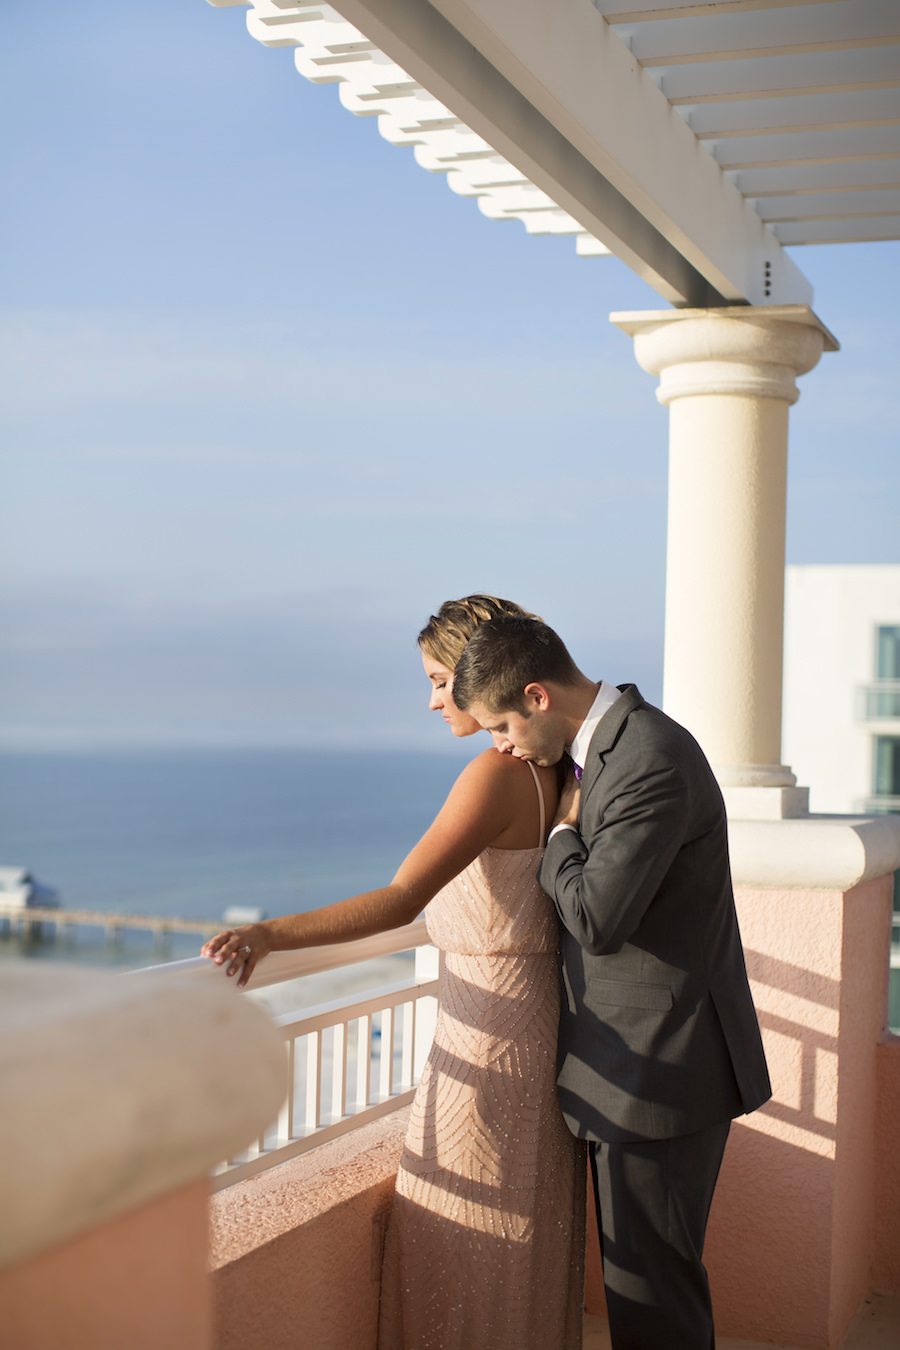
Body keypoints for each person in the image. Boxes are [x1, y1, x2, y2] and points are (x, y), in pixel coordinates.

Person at [203, 596, 586, 1350]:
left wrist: (268, 933)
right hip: (543, 1027)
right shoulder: (556, 771)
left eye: (444, 680)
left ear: (488, 673)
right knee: (521, 1230)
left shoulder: (490, 777)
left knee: (467, 1232)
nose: (434, 700)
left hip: (488, 1044)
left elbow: (401, 898)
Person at [451, 616, 771, 1350]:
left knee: (654, 1301)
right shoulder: (606, 749)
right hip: (636, 1066)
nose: (501, 745)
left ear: (537, 696)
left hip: (659, 1071)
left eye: (502, 725)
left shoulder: (649, 757)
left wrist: (561, 837)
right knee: (647, 1292)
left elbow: (598, 917)